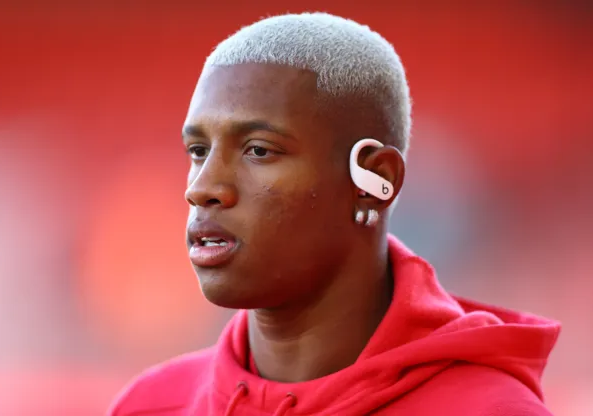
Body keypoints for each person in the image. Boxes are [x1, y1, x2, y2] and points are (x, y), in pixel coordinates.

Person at [108, 12, 560, 416]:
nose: (202, 188)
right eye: (198, 151)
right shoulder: (149, 404)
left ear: (373, 181)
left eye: (259, 150)